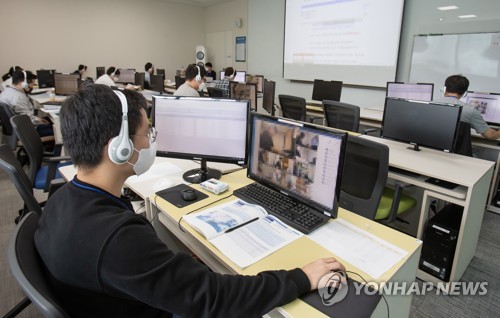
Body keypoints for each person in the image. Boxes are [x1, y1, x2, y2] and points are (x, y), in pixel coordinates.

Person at [34, 83, 344, 317]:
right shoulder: (117, 239)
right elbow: (215, 298)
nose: (151, 140)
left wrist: (174, 265)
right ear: (120, 148)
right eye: (147, 132)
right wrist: (301, 277)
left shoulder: (62, 199)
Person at [437, 74, 500, 140]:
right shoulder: (470, 110)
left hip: (430, 148)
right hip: (456, 149)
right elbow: (491, 135)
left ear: (444, 89)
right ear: (465, 93)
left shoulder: (428, 104)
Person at [0, 70, 53, 137]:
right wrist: (38, 121)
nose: (32, 87)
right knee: (58, 128)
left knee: (48, 120)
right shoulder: (18, 97)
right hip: (28, 132)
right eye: (32, 84)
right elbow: (29, 120)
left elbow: (24, 115)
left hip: (17, 129)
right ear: (24, 84)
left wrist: (36, 118)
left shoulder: (6, 91)